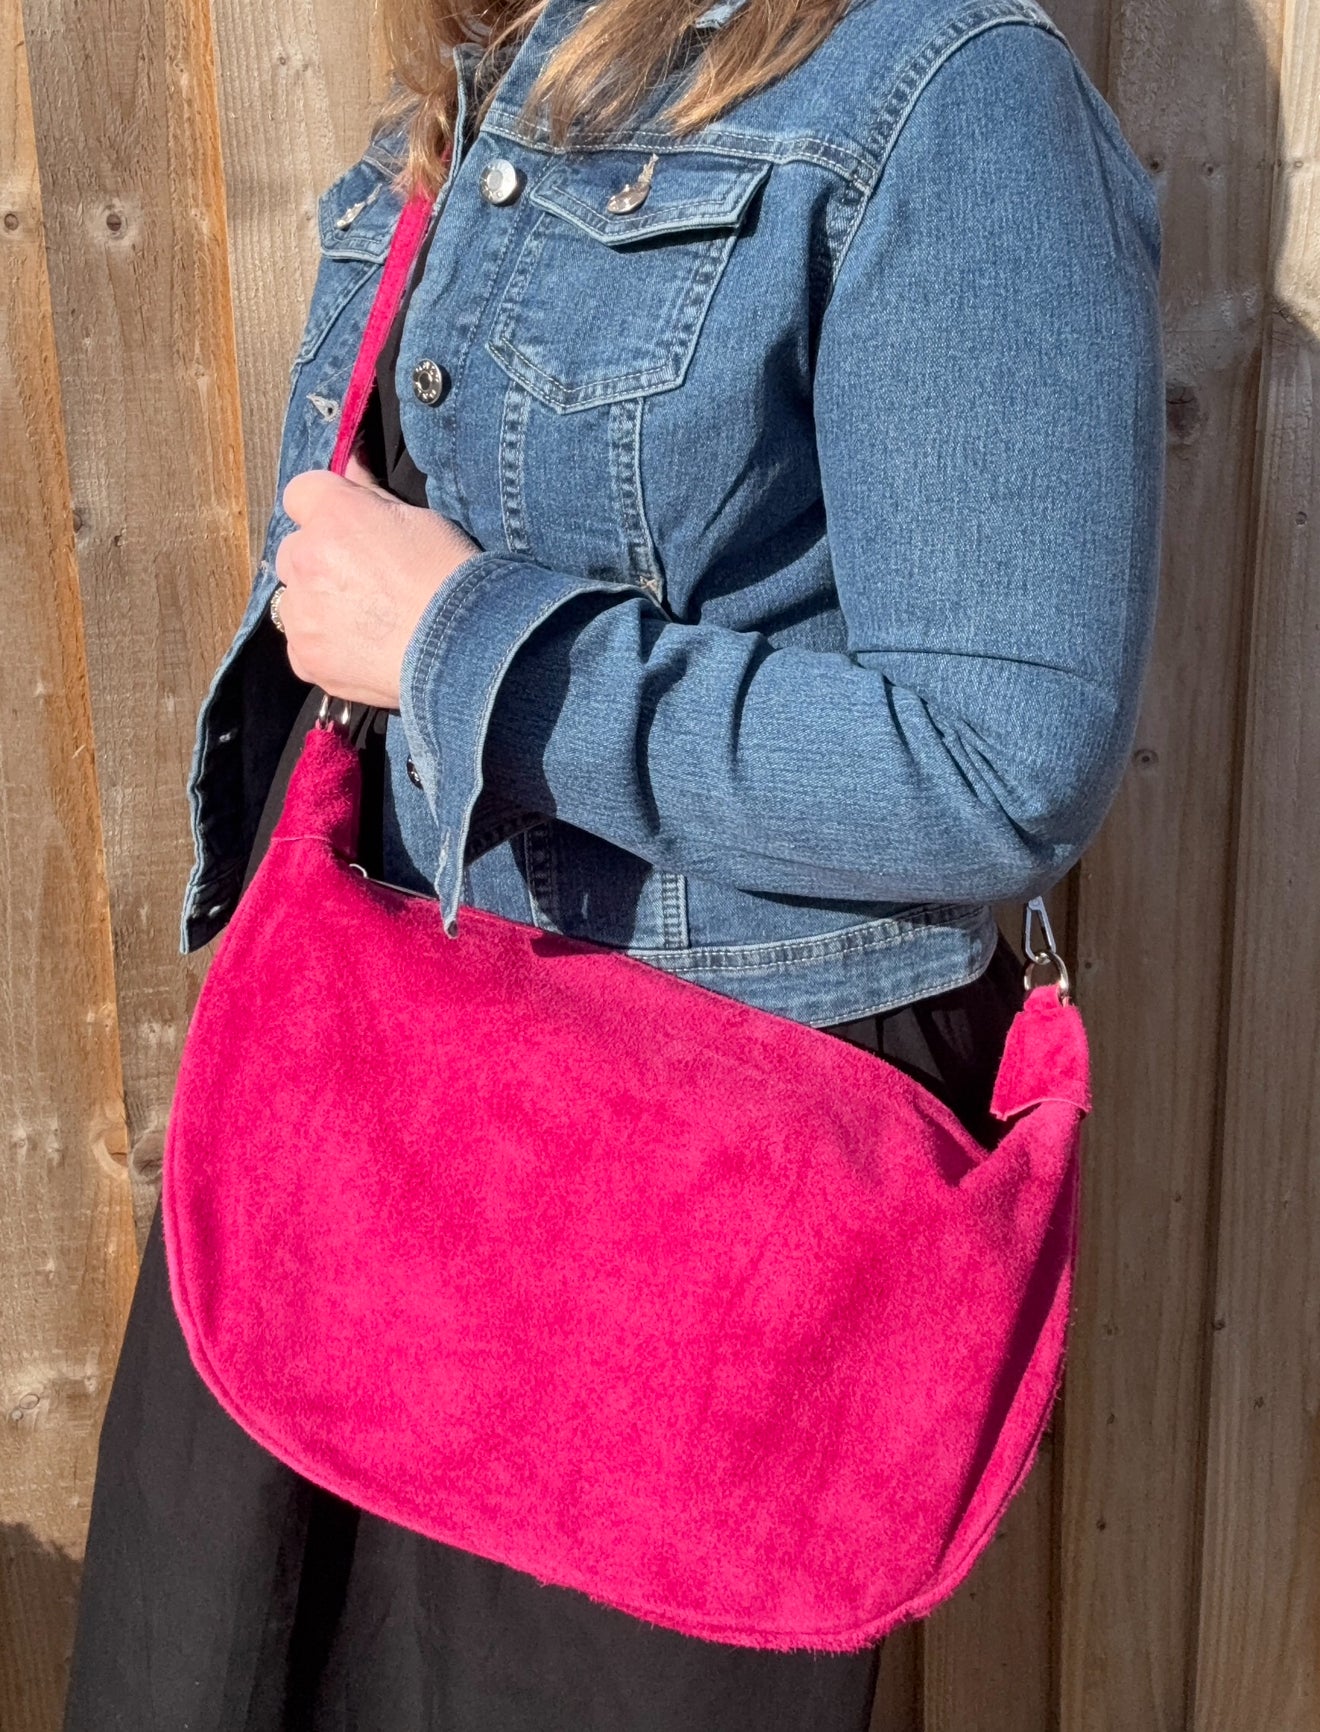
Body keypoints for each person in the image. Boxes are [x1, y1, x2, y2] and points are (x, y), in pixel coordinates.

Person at [63, 0, 1164, 1725]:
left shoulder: (949, 93)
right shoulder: (500, 47)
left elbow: (996, 765)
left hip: (693, 1233)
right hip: (357, 1118)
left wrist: (465, 647)